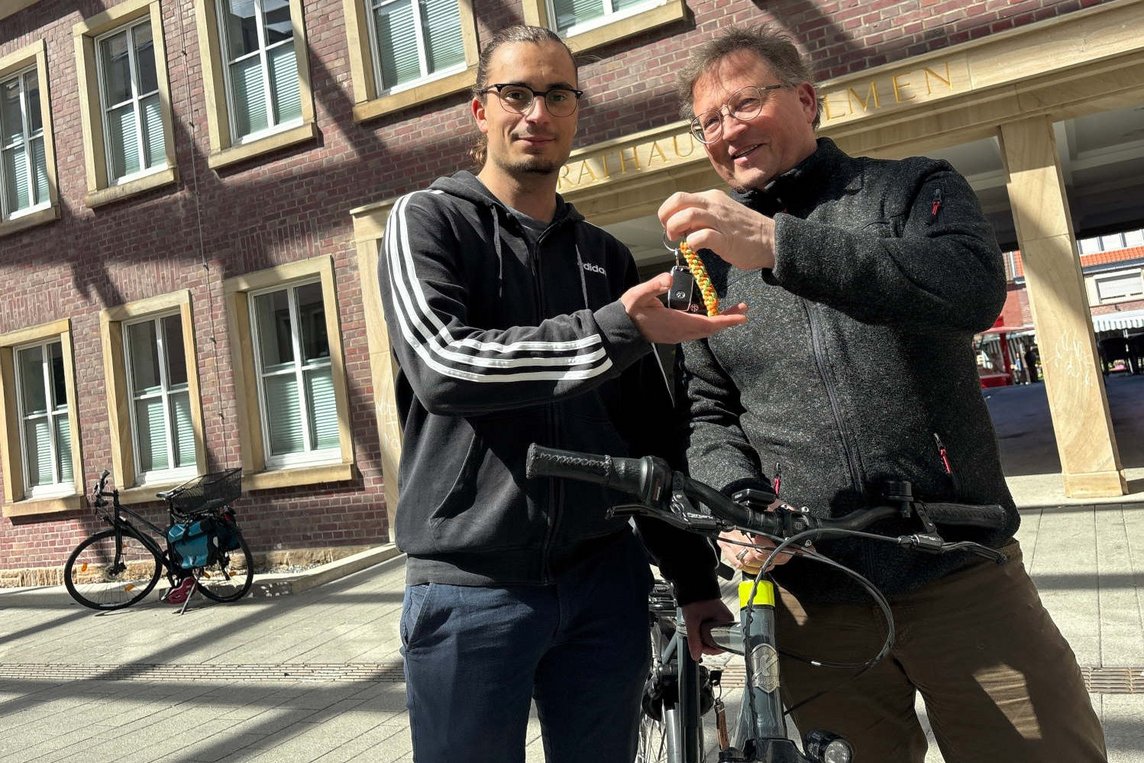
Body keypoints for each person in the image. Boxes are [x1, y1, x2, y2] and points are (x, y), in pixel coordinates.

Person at [657, 25, 1107, 763]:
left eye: (743, 105)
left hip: (958, 570)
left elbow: (968, 289)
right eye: (709, 121)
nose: (726, 131)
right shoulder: (700, 263)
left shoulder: (911, 189)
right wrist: (736, 501)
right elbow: (708, 413)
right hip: (813, 594)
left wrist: (779, 245)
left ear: (806, 99)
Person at [378, 26, 744, 763]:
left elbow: (649, 434)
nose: (536, 112)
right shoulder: (426, 221)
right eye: (515, 92)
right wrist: (611, 330)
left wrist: (694, 576)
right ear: (479, 110)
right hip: (470, 587)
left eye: (557, 94)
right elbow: (445, 365)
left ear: (577, 113)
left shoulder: (604, 257)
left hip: (604, 582)